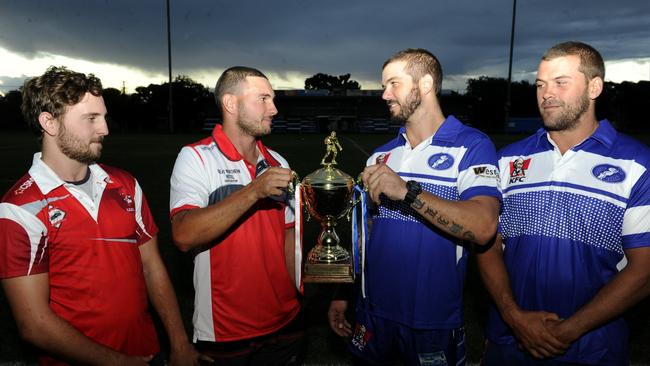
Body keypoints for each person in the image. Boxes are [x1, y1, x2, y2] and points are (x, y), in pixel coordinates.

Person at [0, 66, 200, 365]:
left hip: (147, 351)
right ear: (49, 123)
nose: (104, 129)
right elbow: (34, 324)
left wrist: (179, 343)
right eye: (91, 119)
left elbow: (152, 267)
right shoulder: (20, 208)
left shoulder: (125, 185)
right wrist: (119, 362)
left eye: (103, 117)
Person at [477, 41, 650, 366]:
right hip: (508, 339)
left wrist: (567, 331)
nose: (546, 93)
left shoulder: (638, 164)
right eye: (540, 84)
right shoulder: (508, 159)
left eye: (560, 82)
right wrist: (514, 318)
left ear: (594, 86)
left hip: (593, 348)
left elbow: (645, 269)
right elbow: (487, 243)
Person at [328, 48, 501, 365]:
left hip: (431, 321)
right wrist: (342, 293)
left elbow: (483, 226)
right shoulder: (380, 157)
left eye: (393, 83)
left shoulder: (472, 146)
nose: (384, 94)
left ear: (425, 84)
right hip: (373, 315)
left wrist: (407, 192)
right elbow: (364, 235)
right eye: (384, 86)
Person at [169, 66, 303, 365]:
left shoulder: (277, 161)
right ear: (231, 104)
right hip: (227, 329)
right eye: (264, 99)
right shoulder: (196, 157)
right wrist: (253, 191)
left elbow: (288, 236)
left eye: (273, 99)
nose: (274, 109)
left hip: (285, 321)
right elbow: (183, 235)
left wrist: (304, 290)